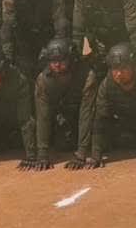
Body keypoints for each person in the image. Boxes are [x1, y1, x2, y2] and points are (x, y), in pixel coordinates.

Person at [67, 43, 136, 170]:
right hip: (122, 123)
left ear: (135, 68)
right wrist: (96, 156)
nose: (118, 74)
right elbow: (100, 119)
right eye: (115, 69)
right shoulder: (106, 86)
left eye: (123, 69)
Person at [0, 0, 67, 79]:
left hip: (49, 35)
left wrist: (58, 47)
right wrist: (7, 56)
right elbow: (7, 27)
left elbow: (60, 21)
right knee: (24, 71)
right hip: (24, 39)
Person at [31, 37, 92, 171]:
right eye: (53, 61)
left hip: (83, 116)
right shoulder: (43, 80)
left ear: (71, 59)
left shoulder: (86, 76)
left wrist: (81, 154)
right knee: (62, 145)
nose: (57, 65)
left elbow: (86, 114)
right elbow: (43, 116)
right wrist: (42, 154)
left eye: (61, 60)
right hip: (63, 116)